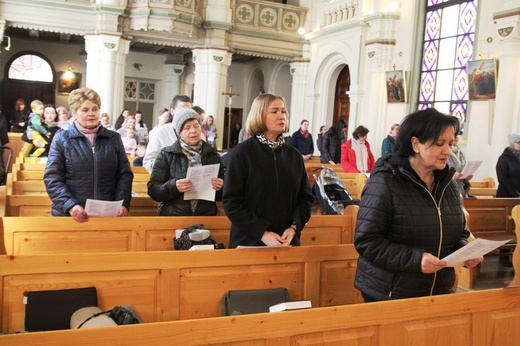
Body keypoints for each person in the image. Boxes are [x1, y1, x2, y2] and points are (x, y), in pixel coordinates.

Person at [354, 108, 483, 302]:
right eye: (440, 143)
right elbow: (367, 242)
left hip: (438, 290)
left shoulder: (447, 184)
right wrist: (416, 259)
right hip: (392, 293)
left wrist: (465, 251)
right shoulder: (385, 182)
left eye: (450, 143)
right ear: (416, 144)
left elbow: (458, 233)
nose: (447, 151)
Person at [223, 93, 314, 248]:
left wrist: (293, 228)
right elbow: (232, 202)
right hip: (249, 242)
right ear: (259, 115)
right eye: (275, 111)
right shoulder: (241, 154)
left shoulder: (294, 156)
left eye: (284, 111)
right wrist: (262, 232)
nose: (281, 116)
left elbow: (306, 198)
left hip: (287, 242)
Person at [43, 87, 133, 223]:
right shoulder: (62, 138)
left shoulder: (113, 138)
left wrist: (122, 203)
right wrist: (70, 205)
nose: (91, 113)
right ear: (74, 112)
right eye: (85, 110)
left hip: (107, 215)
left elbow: (124, 174)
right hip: (70, 216)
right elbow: (52, 177)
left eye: (95, 109)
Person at [147, 107, 224, 216]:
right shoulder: (167, 154)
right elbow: (153, 190)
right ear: (179, 133)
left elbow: (222, 195)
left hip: (205, 216)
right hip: (174, 216)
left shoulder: (212, 155)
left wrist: (220, 187)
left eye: (196, 126)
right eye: (187, 127)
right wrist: (174, 186)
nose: (193, 131)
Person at [143, 95, 192, 173]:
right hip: (168, 181)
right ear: (172, 111)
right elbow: (148, 162)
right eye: (182, 109)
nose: (185, 113)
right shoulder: (160, 133)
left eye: (188, 110)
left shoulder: (195, 132)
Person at [496, 133, 520, 198]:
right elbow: (502, 178)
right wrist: (516, 194)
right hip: (507, 195)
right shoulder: (504, 158)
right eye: (518, 142)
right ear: (512, 144)